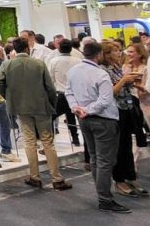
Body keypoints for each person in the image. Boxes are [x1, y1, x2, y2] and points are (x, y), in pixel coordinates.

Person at [0, 38, 71, 191]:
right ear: (27, 48)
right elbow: (50, 87)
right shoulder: (39, 64)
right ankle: (57, 179)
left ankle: (34, 177)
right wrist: (52, 104)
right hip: (41, 106)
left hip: (21, 108)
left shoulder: (7, 65)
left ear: (15, 50)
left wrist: (10, 98)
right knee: (47, 142)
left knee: (29, 142)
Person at [66, 42, 128, 213]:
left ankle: (103, 196)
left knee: (95, 159)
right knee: (104, 161)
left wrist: (76, 108)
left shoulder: (73, 71)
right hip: (103, 121)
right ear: (99, 54)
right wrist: (87, 109)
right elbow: (105, 100)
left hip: (84, 120)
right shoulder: (101, 74)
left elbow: (68, 92)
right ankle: (105, 200)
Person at [98, 42, 147, 197]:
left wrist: (130, 81)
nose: (120, 53)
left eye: (119, 50)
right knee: (118, 148)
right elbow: (109, 92)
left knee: (127, 145)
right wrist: (124, 81)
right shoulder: (103, 70)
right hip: (115, 111)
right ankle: (119, 181)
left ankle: (130, 177)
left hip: (127, 108)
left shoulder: (117, 67)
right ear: (106, 54)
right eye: (116, 51)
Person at [48, 39, 82, 145]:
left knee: (50, 117)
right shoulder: (78, 61)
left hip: (62, 94)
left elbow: (50, 79)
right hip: (76, 94)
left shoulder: (54, 61)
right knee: (77, 117)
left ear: (59, 48)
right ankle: (77, 139)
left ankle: (49, 143)